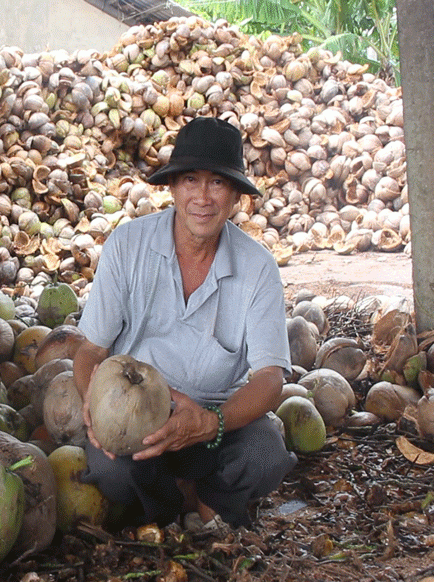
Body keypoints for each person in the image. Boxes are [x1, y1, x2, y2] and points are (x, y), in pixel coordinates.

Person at [73, 116, 297, 531]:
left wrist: (212, 423)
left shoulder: (258, 267)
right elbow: (91, 350)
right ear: (173, 188)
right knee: (110, 471)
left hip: (216, 422)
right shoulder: (127, 245)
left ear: (236, 197)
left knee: (265, 453)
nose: (203, 198)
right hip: (137, 415)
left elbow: (270, 379)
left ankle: (199, 497)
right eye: (191, 180)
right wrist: (94, 402)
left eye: (218, 183)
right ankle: (181, 501)